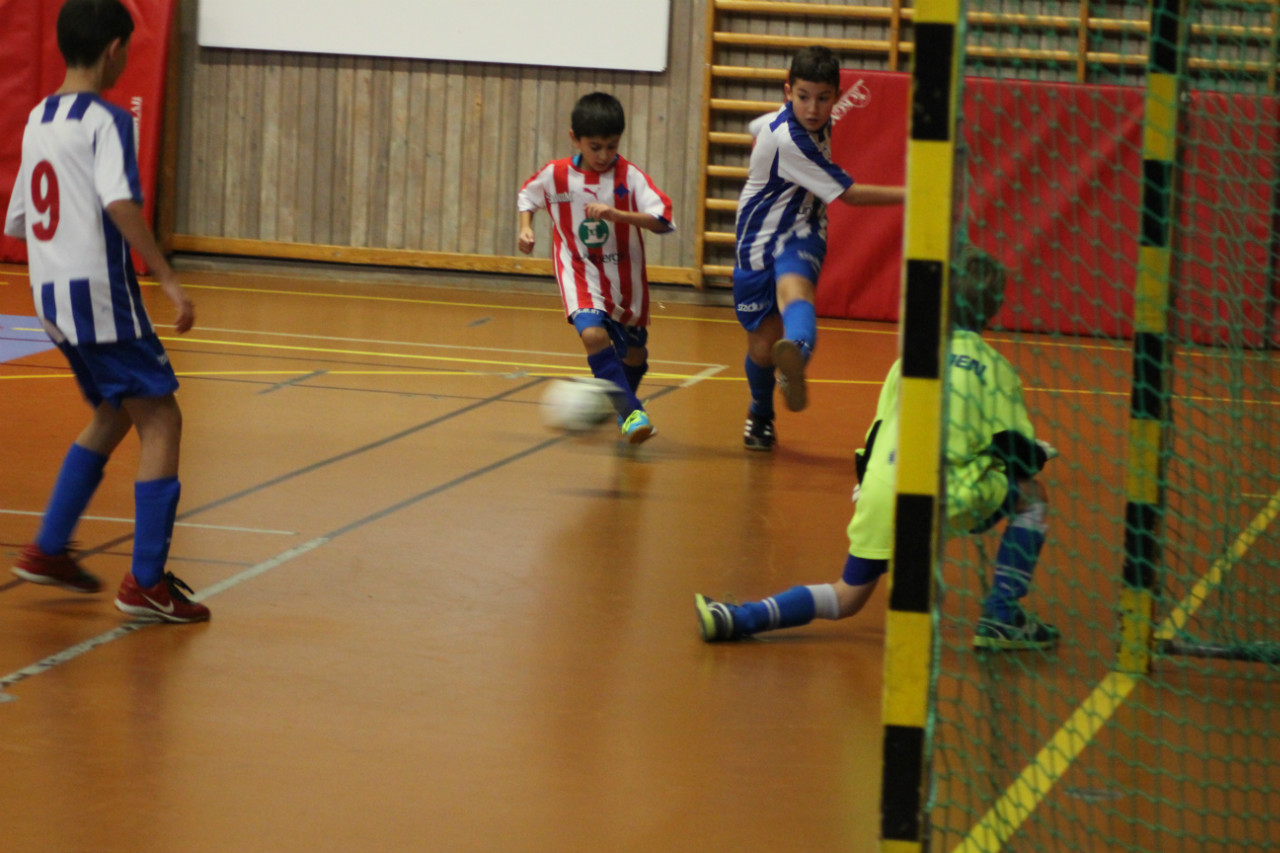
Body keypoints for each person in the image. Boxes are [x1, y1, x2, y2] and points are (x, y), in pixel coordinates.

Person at [696, 248, 1060, 651]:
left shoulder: (908, 362)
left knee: (845, 597)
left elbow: (873, 441)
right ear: (993, 308)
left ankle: (740, 616)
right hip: (948, 495)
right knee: (1033, 497)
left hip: (881, 491)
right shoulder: (995, 368)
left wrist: (866, 484)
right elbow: (1015, 451)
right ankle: (1002, 616)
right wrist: (1040, 452)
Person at [3, 0, 208, 623]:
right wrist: (167, 278)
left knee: (114, 411)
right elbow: (120, 204)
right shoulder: (107, 121)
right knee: (162, 419)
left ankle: (47, 548)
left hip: (50, 297)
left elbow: (17, 220)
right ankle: (146, 582)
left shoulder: (38, 117)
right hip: (99, 297)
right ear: (115, 49)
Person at [734, 45, 904, 451]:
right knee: (762, 347)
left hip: (804, 229)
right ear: (788, 92)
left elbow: (759, 124)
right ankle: (761, 409)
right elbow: (852, 195)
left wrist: (757, 134)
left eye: (823, 98)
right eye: (803, 97)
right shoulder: (790, 140)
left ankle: (797, 354)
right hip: (756, 242)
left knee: (796, 292)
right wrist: (917, 194)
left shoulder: (799, 121)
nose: (813, 109)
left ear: (836, 97)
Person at [517, 92, 675, 445]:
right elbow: (527, 196)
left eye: (612, 146)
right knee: (592, 334)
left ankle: (617, 403)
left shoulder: (629, 177)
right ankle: (631, 412)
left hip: (624, 279)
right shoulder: (556, 175)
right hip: (578, 270)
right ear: (575, 138)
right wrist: (525, 228)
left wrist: (619, 215)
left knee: (634, 354)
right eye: (595, 147)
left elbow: (663, 220)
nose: (604, 155)